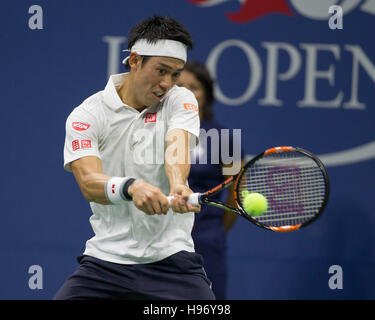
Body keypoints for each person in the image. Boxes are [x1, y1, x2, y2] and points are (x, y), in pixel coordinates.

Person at [54, 16, 215, 300]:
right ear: (135, 60)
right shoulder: (87, 115)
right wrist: (130, 187)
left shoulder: (181, 100)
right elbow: (89, 181)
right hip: (105, 264)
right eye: (161, 70)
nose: (167, 83)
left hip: (172, 262)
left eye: (175, 74)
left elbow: (176, 144)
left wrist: (178, 183)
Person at [177, 61, 242, 299]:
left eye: (194, 87)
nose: (187, 94)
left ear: (207, 94)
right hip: (161, 239)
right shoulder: (156, 132)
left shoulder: (225, 139)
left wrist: (213, 229)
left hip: (206, 240)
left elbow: (237, 191)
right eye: (180, 86)